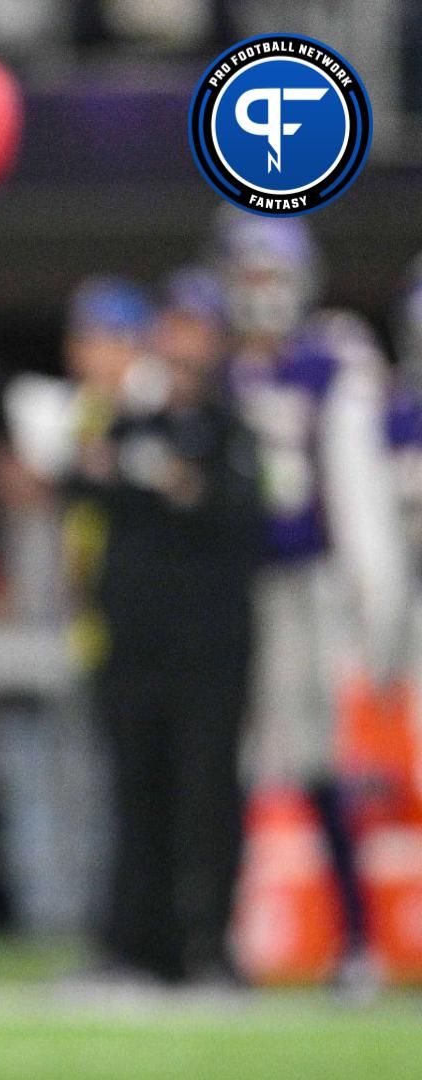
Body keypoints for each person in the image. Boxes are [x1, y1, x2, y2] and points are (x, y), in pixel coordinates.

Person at [219, 212, 409, 996]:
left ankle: (360, 939)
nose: (260, 294)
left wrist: (376, 594)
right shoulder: (220, 364)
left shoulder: (330, 358)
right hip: (237, 589)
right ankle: (223, 938)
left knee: (324, 759)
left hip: (315, 587)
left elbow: (359, 492)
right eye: (249, 275)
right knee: (237, 763)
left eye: (272, 275)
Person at [75, 269, 263, 985]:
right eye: (171, 327)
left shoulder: (232, 423)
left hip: (210, 649)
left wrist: (188, 489)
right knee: (136, 795)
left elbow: (249, 520)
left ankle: (209, 950)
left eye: (194, 328)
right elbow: (84, 490)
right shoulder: (133, 418)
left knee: (207, 799)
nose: (180, 343)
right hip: (134, 646)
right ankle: (134, 949)